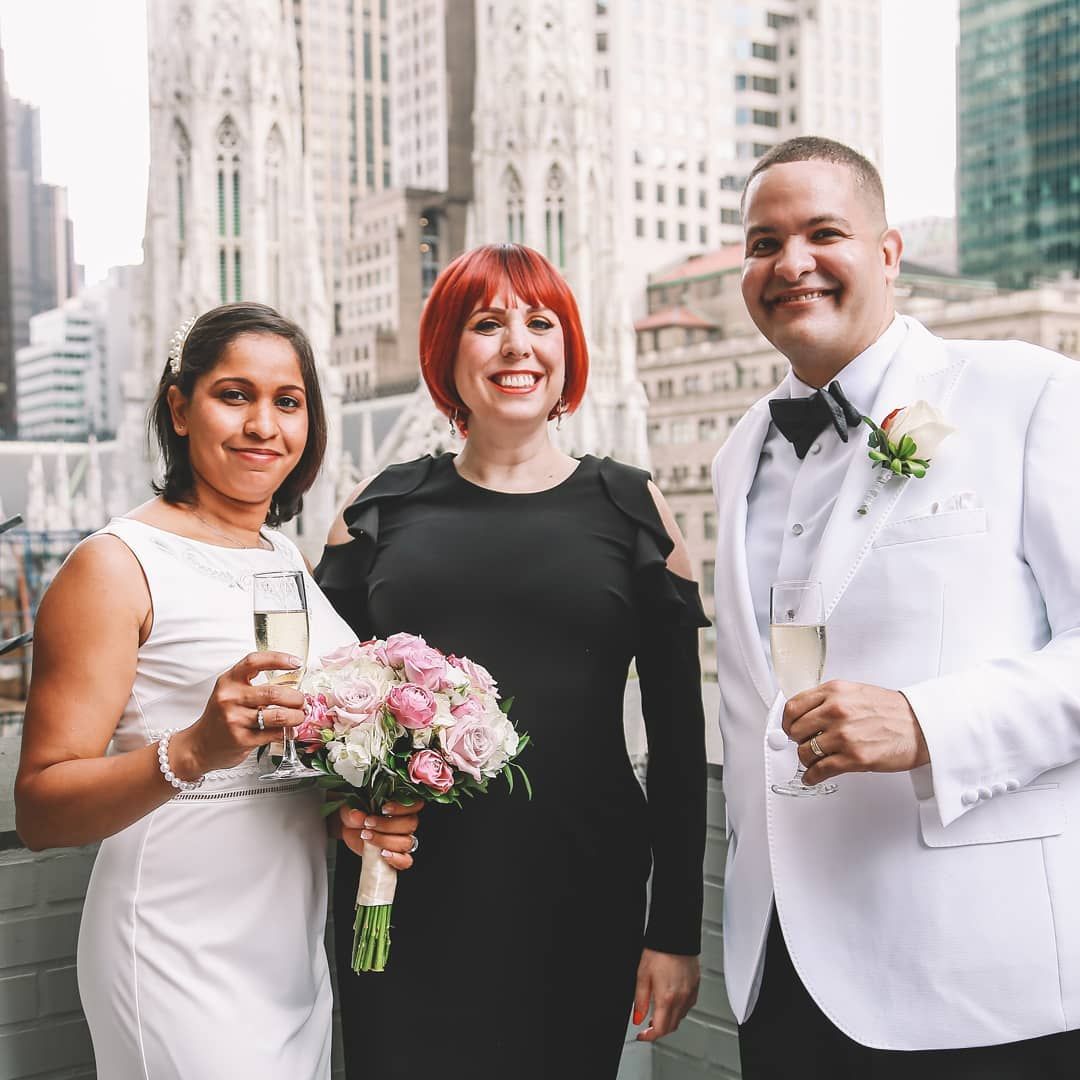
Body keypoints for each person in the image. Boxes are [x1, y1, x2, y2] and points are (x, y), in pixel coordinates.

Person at [711, 135, 1080, 1078]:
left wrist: (927, 721)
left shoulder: (1027, 393)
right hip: (779, 976)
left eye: (822, 232)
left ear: (888, 251)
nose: (790, 263)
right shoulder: (737, 451)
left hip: (979, 980)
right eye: (762, 243)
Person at [316, 242, 708, 1079]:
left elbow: (680, 743)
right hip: (407, 894)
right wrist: (341, 814)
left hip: (581, 891)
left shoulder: (635, 509)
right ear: (447, 353)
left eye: (540, 323)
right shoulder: (376, 511)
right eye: (486, 324)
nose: (516, 345)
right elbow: (313, 720)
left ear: (568, 349)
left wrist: (673, 930)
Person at [14, 302, 419, 1080]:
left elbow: (294, 762)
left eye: (287, 401)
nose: (263, 424)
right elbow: (40, 808)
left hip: (288, 946)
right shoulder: (113, 564)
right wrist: (194, 748)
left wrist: (355, 817)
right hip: (171, 945)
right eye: (234, 395)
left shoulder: (285, 558)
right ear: (179, 406)